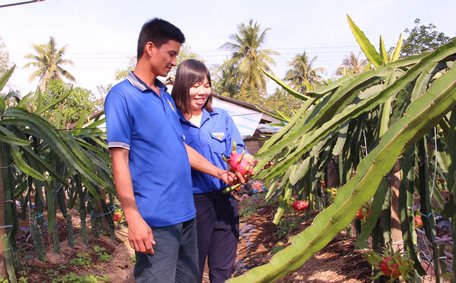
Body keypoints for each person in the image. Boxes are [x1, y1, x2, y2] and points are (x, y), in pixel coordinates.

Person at [104, 19, 237, 283]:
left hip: (187, 214)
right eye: (172, 53)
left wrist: (219, 173)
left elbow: (180, 149)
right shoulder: (122, 97)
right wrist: (132, 216)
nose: (175, 61)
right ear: (150, 48)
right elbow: (119, 160)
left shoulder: (164, 96)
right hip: (156, 219)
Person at [172, 59, 250, 283]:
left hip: (225, 201)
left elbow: (238, 152)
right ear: (182, 86)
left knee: (223, 271)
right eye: (195, 85)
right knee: (191, 271)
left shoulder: (221, 118)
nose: (202, 91)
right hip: (192, 204)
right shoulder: (172, 121)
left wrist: (246, 163)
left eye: (206, 85)